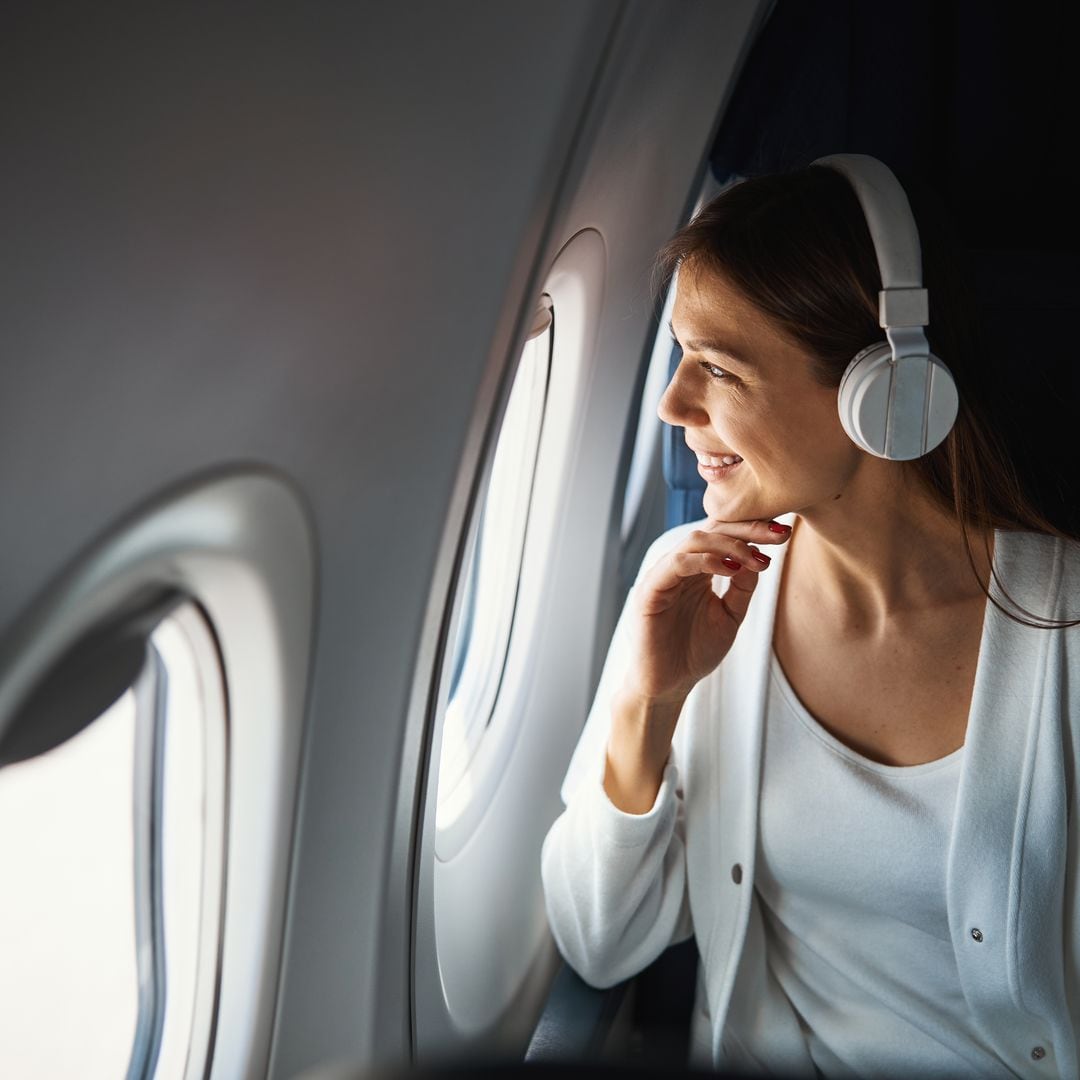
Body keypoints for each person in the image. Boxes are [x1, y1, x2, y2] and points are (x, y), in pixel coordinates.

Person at [540, 158, 1080, 1078]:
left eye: (718, 367)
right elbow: (601, 943)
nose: (673, 405)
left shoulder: (1064, 639)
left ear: (885, 391)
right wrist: (648, 704)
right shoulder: (698, 598)